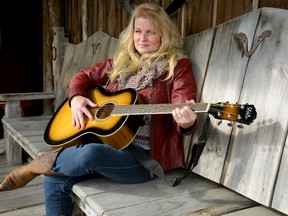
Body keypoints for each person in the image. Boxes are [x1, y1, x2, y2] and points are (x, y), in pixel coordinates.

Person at [0, 3, 197, 215]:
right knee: (53, 179)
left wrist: (186, 122)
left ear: (163, 35)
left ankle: (37, 165)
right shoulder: (122, 63)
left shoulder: (177, 66)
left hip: (143, 160)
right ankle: (47, 166)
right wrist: (76, 99)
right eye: (138, 31)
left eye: (151, 32)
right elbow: (81, 77)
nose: (142, 38)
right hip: (106, 145)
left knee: (89, 154)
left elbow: (183, 104)